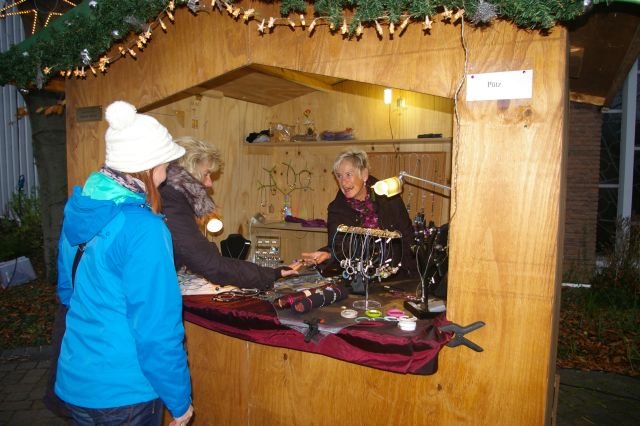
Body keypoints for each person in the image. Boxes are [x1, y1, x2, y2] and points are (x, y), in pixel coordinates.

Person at [56, 100, 193, 426]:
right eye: (165, 164)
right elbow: (157, 327)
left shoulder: (80, 208)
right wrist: (179, 400)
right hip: (125, 391)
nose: (166, 173)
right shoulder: (144, 228)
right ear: (150, 166)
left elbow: (67, 291)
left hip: (77, 377)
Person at [160, 136, 300, 290]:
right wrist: (270, 274)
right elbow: (211, 265)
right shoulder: (171, 202)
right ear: (187, 172)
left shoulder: (167, 196)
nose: (209, 183)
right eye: (206, 174)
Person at [302, 149, 418, 280]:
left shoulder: (388, 196)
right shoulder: (336, 209)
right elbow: (338, 247)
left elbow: (407, 236)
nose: (343, 182)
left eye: (348, 174)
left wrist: (411, 276)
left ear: (364, 175)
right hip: (360, 279)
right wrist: (328, 254)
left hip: (398, 274)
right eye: (339, 176)